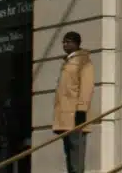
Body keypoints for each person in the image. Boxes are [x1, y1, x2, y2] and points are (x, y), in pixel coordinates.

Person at [50, 31, 95, 173]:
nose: (65, 44)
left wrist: (81, 110)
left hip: (76, 116)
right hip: (65, 117)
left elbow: (87, 87)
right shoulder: (67, 61)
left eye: (68, 41)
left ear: (76, 43)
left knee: (77, 156)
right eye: (63, 42)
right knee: (69, 156)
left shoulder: (84, 61)